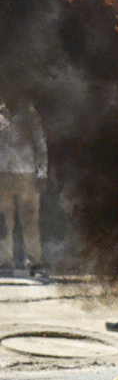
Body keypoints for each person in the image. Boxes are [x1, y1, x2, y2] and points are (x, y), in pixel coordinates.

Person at [0, 95, 47, 276]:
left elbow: (40, 145)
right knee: (3, 222)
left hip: (27, 175)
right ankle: (4, 263)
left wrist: (42, 174)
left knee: (30, 221)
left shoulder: (30, 115)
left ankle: (35, 263)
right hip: (3, 175)